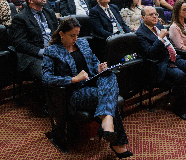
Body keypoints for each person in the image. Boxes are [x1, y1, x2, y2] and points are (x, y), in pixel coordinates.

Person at [42, 17, 133, 159]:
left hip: (92, 83)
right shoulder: (52, 51)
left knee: (110, 76)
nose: (76, 38)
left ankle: (106, 120)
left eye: (77, 35)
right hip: (73, 92)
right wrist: (73, 79)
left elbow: (94, 61)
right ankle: (115, 139)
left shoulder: (83, 43)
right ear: (61, 34)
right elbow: (46, 78)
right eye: (72, 35)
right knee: (108, 95)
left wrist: (99, 68)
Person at [136, 6, 186, 122]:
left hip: (173, 58)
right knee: (180, 75)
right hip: (160, 64)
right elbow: (150, 54)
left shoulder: (158, 26)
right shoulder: (140, 34)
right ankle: (180, 108)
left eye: (156, 14)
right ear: (143, 17)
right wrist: (160, 38)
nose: (155, 16)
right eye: (151, 14)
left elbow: (169, 45)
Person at [10, 0, 59, 81]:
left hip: (53, 50)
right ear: (30, 0)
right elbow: (20, 44)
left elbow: (58, 33)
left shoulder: (49, 12)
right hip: (34, 55)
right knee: (48, 74)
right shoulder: (20, 18)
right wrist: (43, 52)